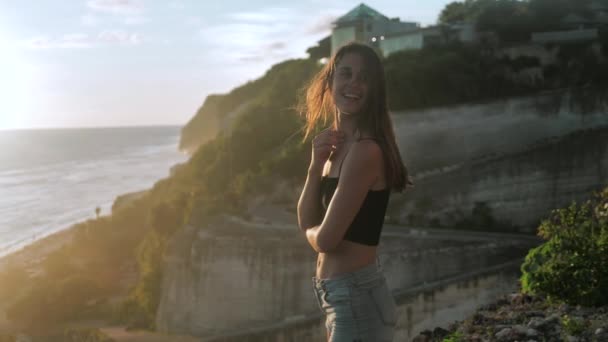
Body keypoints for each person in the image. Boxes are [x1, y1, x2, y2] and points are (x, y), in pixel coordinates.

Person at [297, 42, 412, 342]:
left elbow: (325, 238)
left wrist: (311, 232)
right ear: (330, 81)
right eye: (345, 74)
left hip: (356, 298)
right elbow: (307, 219)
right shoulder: (337, 150)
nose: (353, 84)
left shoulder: (365, 151)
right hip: (339, 297)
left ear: (374, 89)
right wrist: (314, 167)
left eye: (364, 77)